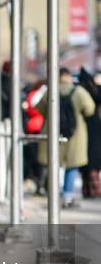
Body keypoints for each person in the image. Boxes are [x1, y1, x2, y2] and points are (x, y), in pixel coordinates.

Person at [38, 67, 96, 208]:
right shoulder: (79, 92)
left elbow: (39, 108)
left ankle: (53, 195)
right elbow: (90, 109)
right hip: (74, 133)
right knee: (72, 166)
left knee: (53, 165)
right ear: (69, 76)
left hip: (53, 132)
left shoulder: (50, 91)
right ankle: (67, 196)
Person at [77, 68, 101, 198]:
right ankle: (95, 188)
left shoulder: (79, 91)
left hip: (82, 127)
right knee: (94, 160)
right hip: (95, 128)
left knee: (85, 159)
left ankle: (87, 188)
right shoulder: (95, 90)